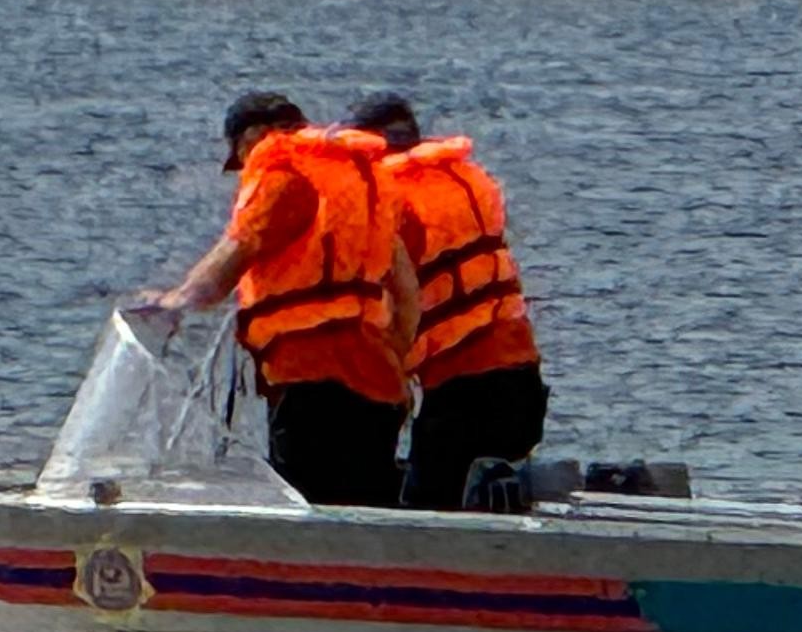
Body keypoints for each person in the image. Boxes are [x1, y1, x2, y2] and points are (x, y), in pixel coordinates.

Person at [147, 89, 418, 506]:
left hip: (308, 381)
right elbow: (406, 294)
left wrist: (175, 302)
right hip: (376, 381)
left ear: (252, 136)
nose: (243, 169)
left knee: (308, 509)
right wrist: (394, 365)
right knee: (369, 511)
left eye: (239, 154)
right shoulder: (361, 176)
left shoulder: (281, 173)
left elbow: (228, 261)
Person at [352, 90, 550, 511]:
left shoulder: (390, 200)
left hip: (462, 390)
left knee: (428, 508)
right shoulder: (470, 180)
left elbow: (399, 298)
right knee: (491, 500)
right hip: (522, 376)